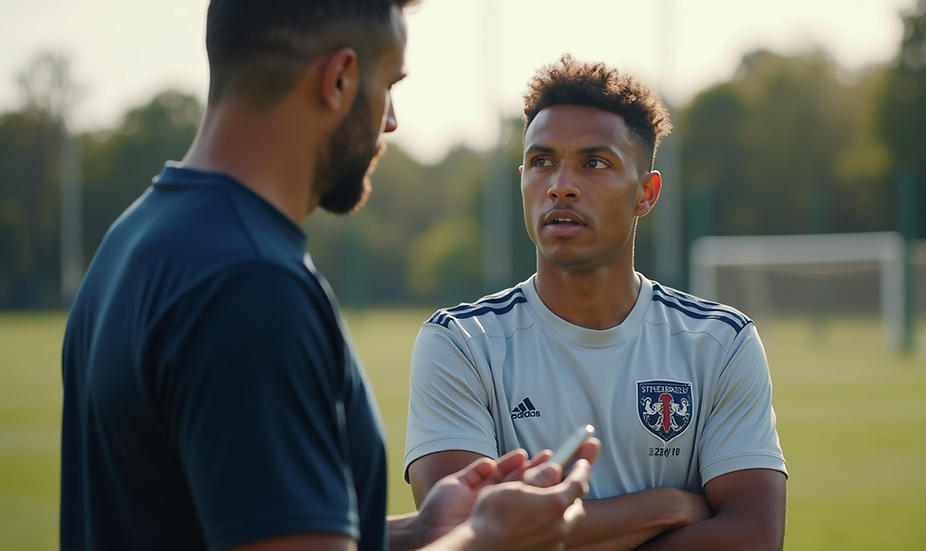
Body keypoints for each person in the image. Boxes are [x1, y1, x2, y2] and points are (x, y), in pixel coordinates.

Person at [60, 3, 598, 550]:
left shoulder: (136, 237)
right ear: (339, 79)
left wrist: (421, 532)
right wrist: (486, 540)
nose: (391, 120)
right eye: (388, 85)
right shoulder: (252, 286)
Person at [404, 54, 787, 551]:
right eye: (542, 162)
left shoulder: (719, 342)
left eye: (594, 163)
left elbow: (754, 537)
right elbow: (461, 534)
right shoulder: (460, 343)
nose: (561, 185)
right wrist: (666, 506)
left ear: (645, 193)